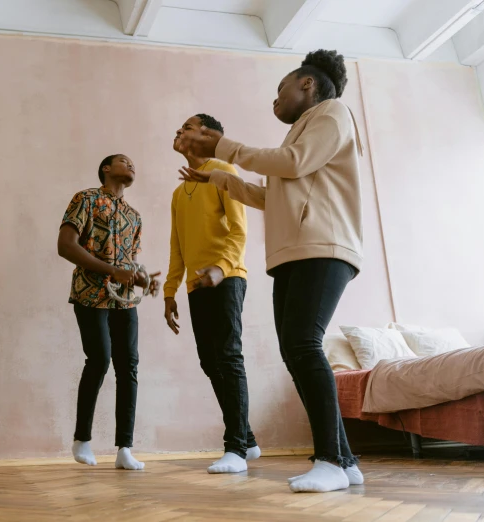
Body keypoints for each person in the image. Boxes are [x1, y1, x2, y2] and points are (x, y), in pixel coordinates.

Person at [177, 49, 365, 493]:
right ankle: (346, 460)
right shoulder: (299, 138)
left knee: (303, 345)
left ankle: (331, 460)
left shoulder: (332, 113)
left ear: (307, 84)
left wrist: (225, 149)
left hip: (323, 246)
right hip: (294, 253)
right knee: (296, 350)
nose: (274, 101)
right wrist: (219, 178)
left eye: (279, 90)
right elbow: (272, 196)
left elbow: (293, 164)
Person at [165, 114, 261, 474]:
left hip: (227, 278)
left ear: (207, 134)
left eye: (187, 126)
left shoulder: (223, 171)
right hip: (195, 284)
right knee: (210, 361)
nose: (179, 131)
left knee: (228, 356)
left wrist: (221, 269)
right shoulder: (178, 191)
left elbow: (239, 230)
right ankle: (247, 441)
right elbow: (177, 245)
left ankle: (235, 446)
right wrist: (170, 290)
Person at [57, 154, 161, 471]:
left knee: (128, 367)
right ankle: (82, 439)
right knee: (100, 358)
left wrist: (143, 280)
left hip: (124, 300)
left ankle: (124, 449)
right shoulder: (85, 199)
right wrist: (111, 270)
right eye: (123, 161)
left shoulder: (134, 216)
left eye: (134, 162)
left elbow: (128, 264)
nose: (131, 165)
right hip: (90, 294)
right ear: (106, 169)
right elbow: (66, 246)